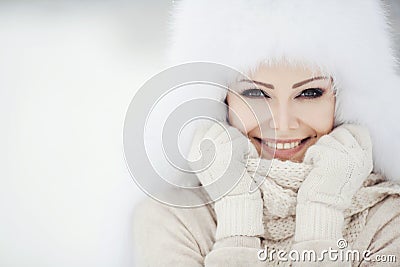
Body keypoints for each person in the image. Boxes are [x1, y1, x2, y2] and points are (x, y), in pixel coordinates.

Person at [133, 0, 400, 266]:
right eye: (255, 93)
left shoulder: (388, 220)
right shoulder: (175, 218)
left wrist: (323, 210)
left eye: (309, 93)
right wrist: (237, 214)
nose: (282, 124)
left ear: (343, 101)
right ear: (221, 100)